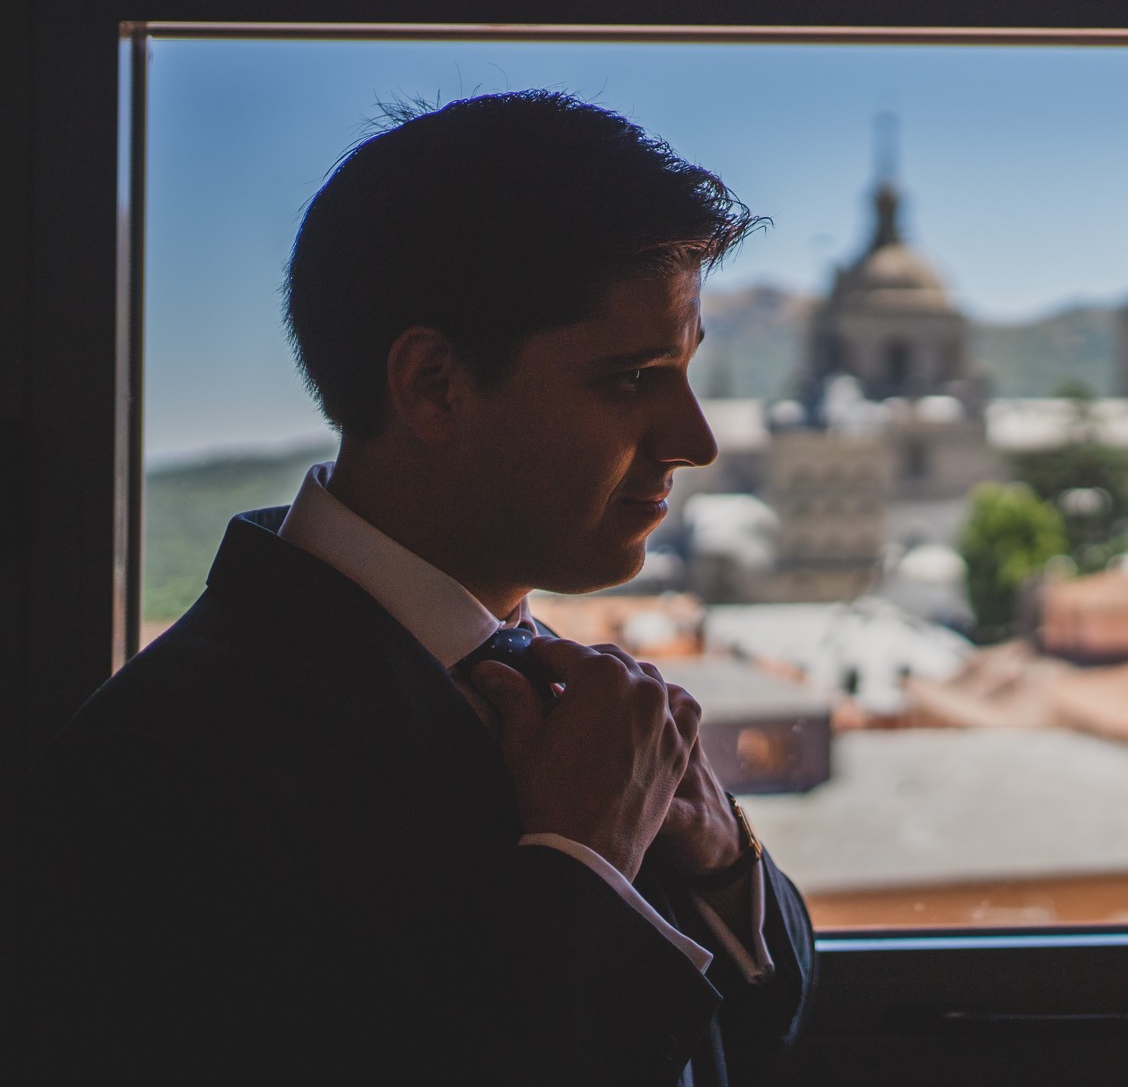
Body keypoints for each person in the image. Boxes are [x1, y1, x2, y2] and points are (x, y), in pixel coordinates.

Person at [21, 91, 814, 1083]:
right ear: (434, 383)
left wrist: (714, 854)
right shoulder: (149, 777)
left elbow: (758, 1019)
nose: (693, 440)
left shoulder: (586, 707)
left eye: (687, 372)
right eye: (631, 377)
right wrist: (585, 868)